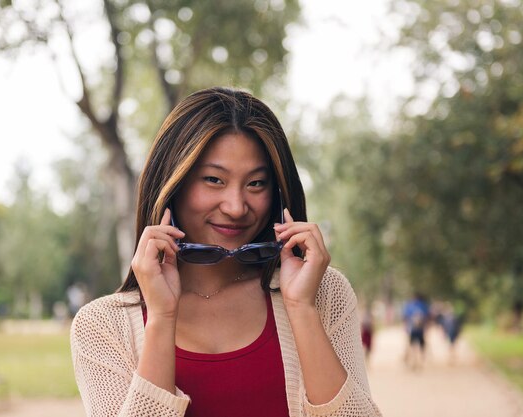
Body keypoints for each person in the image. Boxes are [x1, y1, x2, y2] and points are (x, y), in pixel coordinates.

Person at [70, 87, 382, 416]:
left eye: (256, 183)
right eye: (214, 180)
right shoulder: (101, 326)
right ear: (173, 185)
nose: (236, 207)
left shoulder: (324, 294)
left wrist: (302, 309)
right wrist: (161, 319)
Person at [402, 293, 430, 370]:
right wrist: (427, 328)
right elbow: (427, 317)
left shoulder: (409, 305)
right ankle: (420, 362)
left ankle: (414, 362)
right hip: (420, 330)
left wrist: (406, 328)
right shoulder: (423, 305)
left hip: (413, 329)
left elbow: (405, 317)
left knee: (412, 346)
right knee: (421, 346)